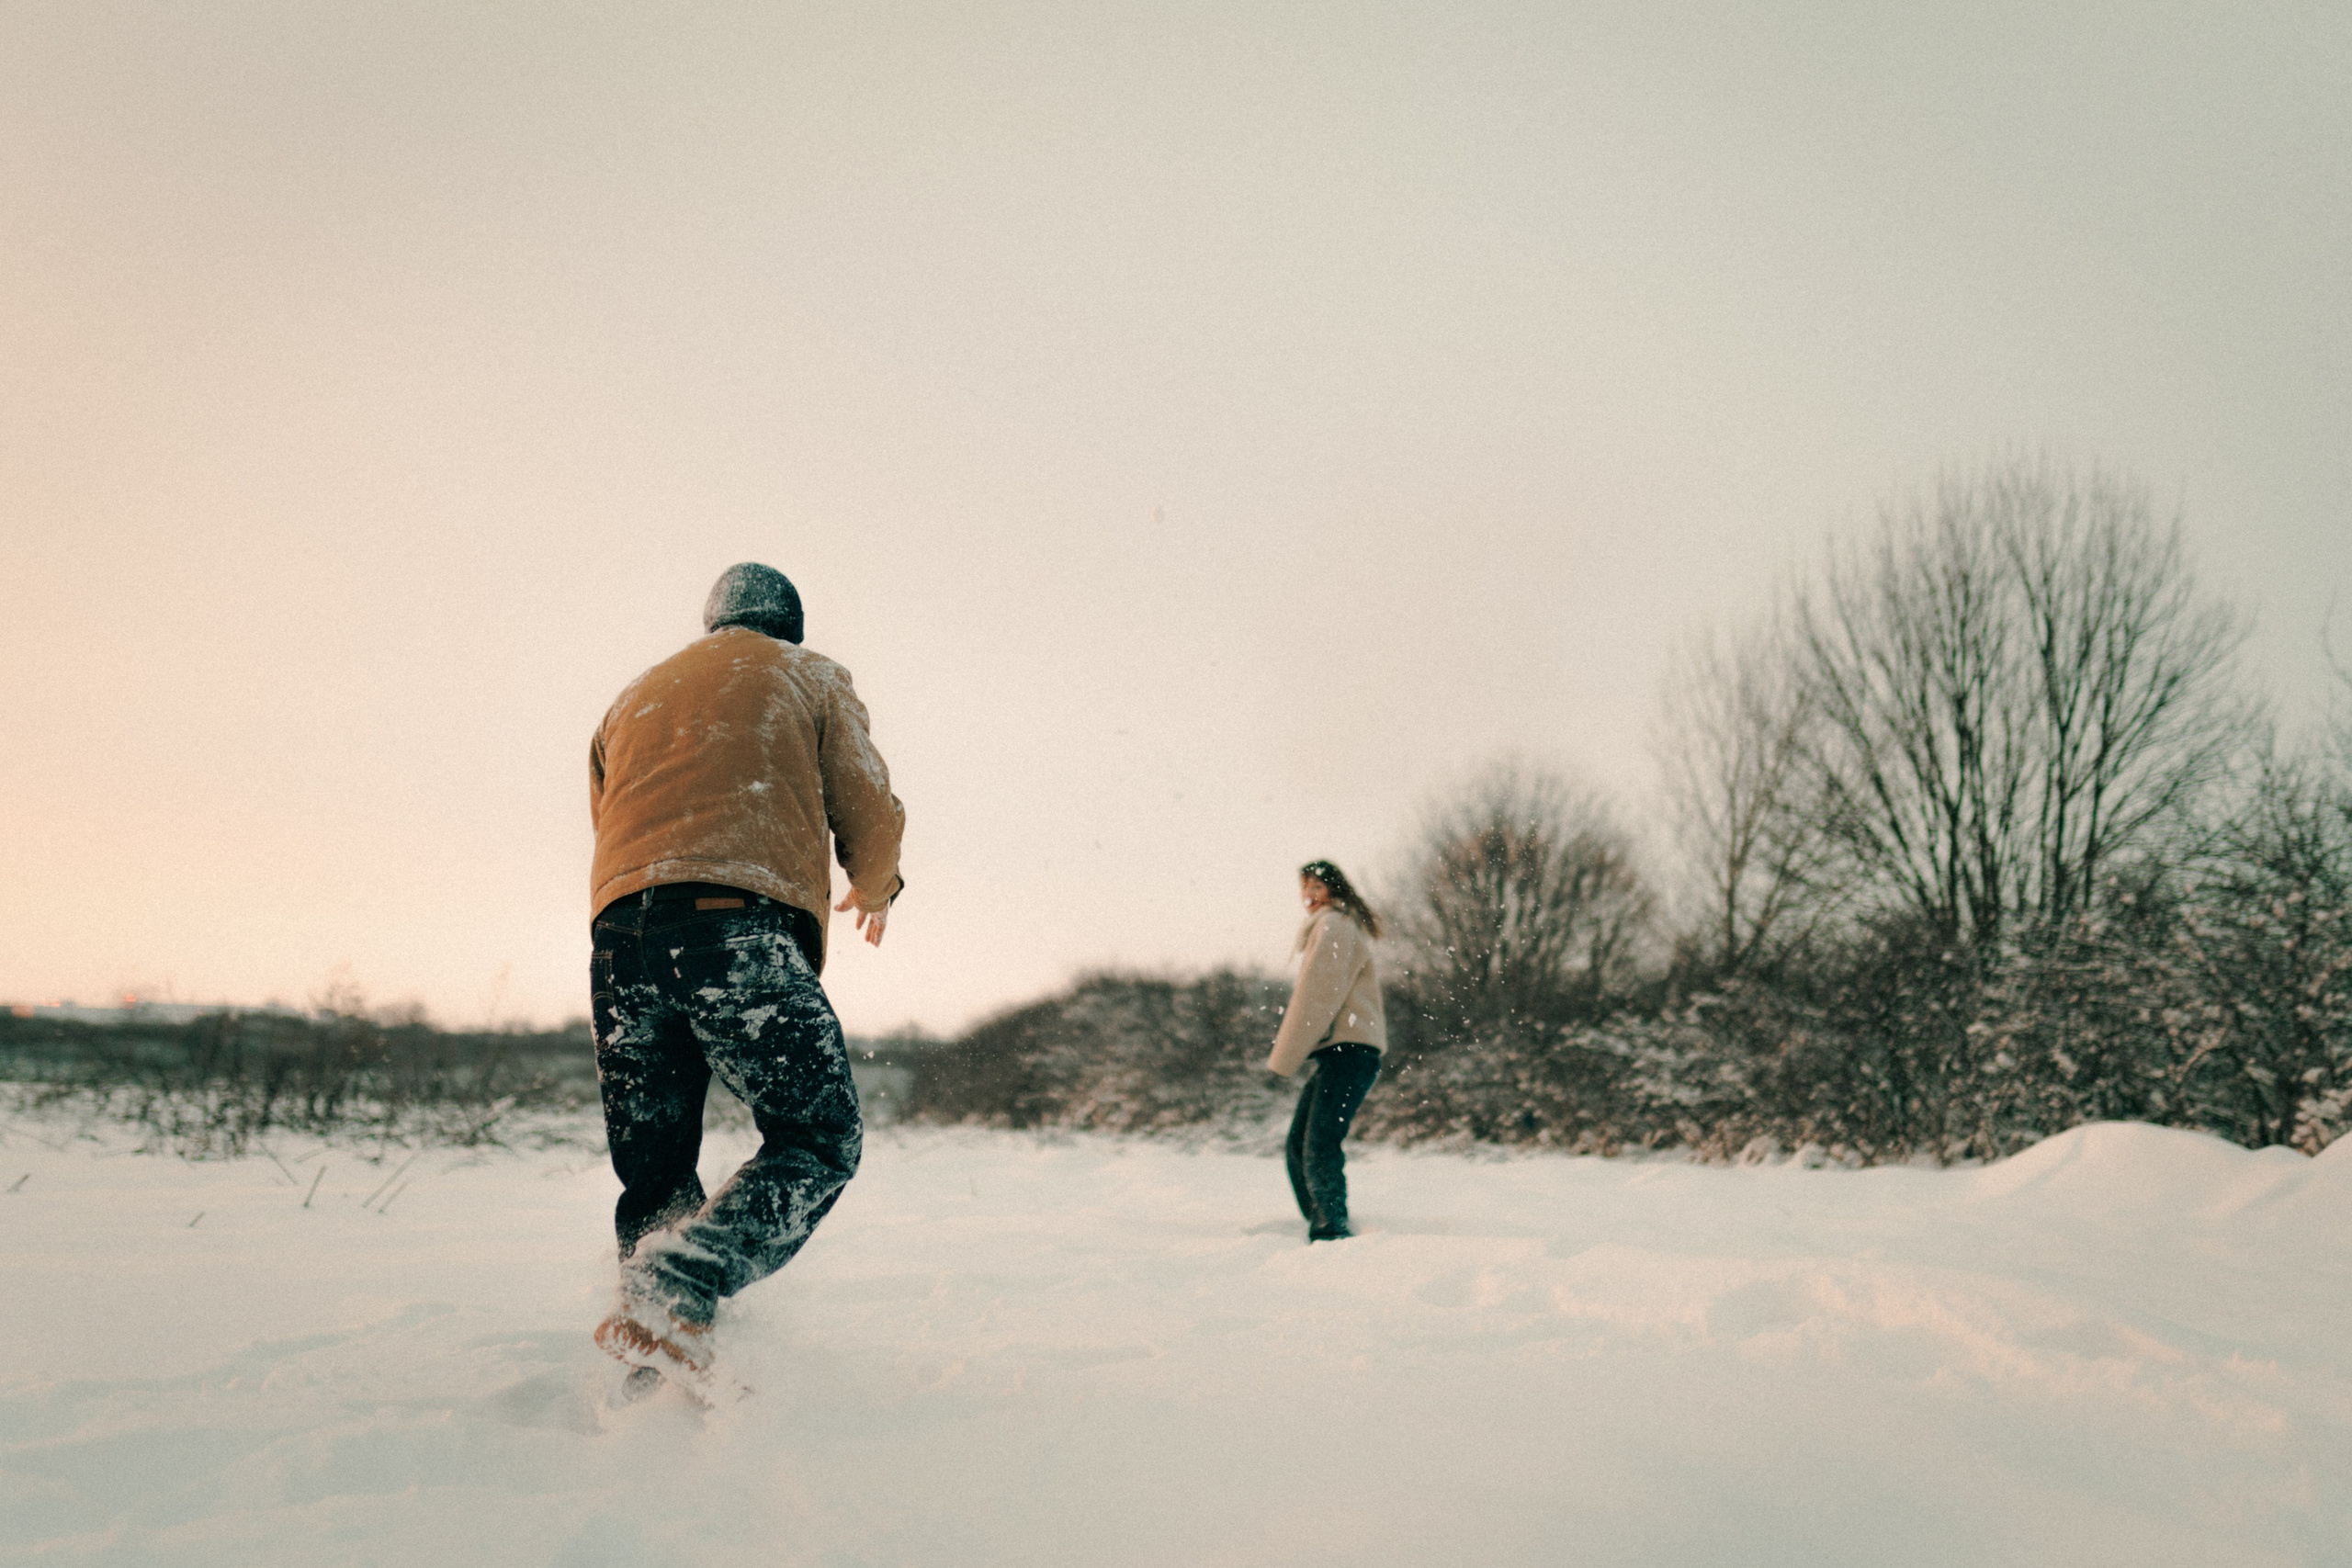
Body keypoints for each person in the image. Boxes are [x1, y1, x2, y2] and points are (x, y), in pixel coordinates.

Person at [584, 561, 905, 1386]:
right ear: (787, 625)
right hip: (733, 923)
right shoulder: (808, 675)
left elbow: (608, 814)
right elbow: (867, 803)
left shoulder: (633, 698)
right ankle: (681, 1281)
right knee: (818, 1135)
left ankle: (656, 1350)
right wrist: (876, 884)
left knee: (655, 1168)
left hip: (620, 939)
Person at [1267, 860, 1386, 1241]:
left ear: (1334, 890)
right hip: (1342, 1052)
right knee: (1299, 1144)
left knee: (1318, 1143)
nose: (1309, 897)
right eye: (1305, 889)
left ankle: (1330, 1228)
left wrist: (1284, 1059)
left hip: (1351, 1051)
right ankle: (1321, 1218)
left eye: (1316, 888)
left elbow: (1317, 994)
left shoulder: (1335, 925)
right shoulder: (1336, 925)